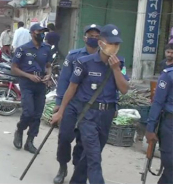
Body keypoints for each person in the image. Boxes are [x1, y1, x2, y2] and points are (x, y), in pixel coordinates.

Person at [51, 24, 129, 184]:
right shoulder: (83, 61)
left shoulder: (120, 63)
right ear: (101, 43)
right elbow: (70, 86)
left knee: (89, 155)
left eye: (117, 44)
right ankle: (64, 167)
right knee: (94, 157)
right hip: (87, 114)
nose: (114, 47)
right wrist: (60, 110)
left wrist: (115, 69)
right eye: (111, 43)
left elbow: (124, 89)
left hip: (106, 115)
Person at [52, 24, 101, 184]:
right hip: (71, 103)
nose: (93, 38)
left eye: (96, 36)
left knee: (83, 141)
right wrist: (59, 103)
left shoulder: (104, 58)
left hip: (90, 107)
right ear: (84, 37)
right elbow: (64, 80)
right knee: (65, 137)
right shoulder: (74, 56)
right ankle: (62, 166)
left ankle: (77, 170)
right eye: (90, 35)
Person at [12, 23, 52, 154]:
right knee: (28, 112)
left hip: (40, 83)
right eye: (39, 32)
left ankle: (30, 141)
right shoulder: (22, 49)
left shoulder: (46, 48)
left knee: (37, 115)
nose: (42, 34)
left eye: (43, 32)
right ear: (32, 33)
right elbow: (14, 68)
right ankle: (20, 130)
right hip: (27, 83)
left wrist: (49, 75)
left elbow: (48, 65)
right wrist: (28, 76)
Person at [146, 67, 173, 184]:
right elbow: (157, 102)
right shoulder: (168, 75)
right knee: (170, 163)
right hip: (169, 125)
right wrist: (150, 128)